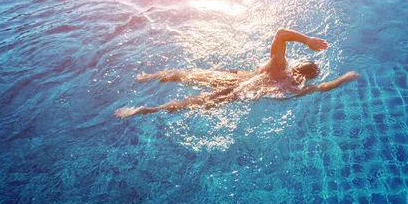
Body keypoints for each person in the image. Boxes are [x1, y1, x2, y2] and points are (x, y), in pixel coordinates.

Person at [115, 28, 359, 118]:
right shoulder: (295, 87)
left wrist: (307, 41)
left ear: (297, 65)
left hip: (236, 79)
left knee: (185, 74)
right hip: (238, 93)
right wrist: (344, 78)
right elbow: (322, 87)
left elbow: (281, 34)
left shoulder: (279, 65)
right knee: (188, 104)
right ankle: (146, 110)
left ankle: (148, 77)